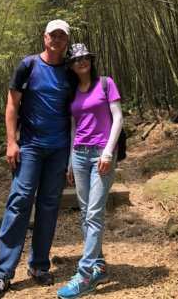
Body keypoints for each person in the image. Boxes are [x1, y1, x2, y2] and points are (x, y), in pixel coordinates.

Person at [0, 19, 72, 299]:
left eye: (62, 36)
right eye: (53, 35)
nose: (57, 40)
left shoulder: (70, 71)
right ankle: (2, 274)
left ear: (67, 42)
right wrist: (11, 142)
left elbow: (78, 110)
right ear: (44, 37)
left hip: (58, 149)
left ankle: (39, 265)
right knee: (20, 202)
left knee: (48, 205)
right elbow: (12, 104)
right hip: (31, 146)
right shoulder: (29, 65)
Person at [57, 43, 123, 299]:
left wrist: (108, 152)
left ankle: (84, 275)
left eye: (85, 58)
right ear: (71, 66)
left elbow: (117, 118)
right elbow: (74, 126)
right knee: (85, 212)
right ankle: (99, 264)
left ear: (91, 61)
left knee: (94, 213)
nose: (82, 62)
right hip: (80, 154)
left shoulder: (106, 83)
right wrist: (71, 162)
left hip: (101, 154)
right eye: (76, 59)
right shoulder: (72, 92)